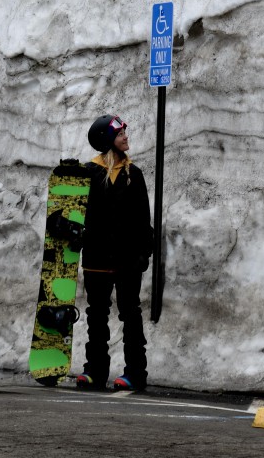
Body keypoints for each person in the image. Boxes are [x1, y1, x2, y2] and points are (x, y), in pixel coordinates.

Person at [77, 114, 153, 392]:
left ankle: (135, 374)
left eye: (124, 132)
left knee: (130, 315)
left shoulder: (135, 174)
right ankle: (95, 371)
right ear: (108, 140)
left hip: (127, 260)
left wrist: (144, 253)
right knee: (96, 316)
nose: (126, 136)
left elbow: (143, 219)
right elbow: (77, 214)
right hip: (96, 259)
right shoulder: (89, 173)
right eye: (120, 133)